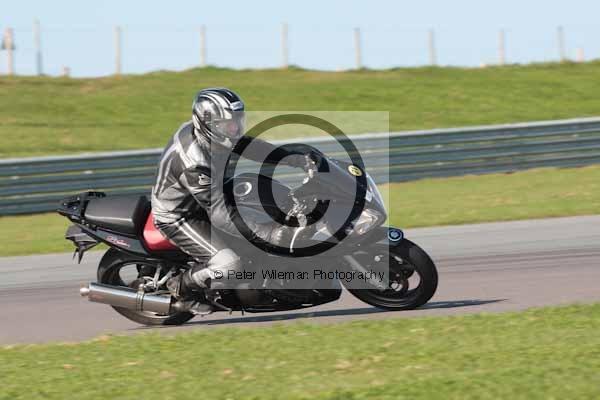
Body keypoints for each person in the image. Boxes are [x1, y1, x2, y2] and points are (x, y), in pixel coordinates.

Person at [151, 88, 311, 304]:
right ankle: (182, 285)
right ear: (208, 123)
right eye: (228, 124)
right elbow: (219, 214)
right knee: (229, 265)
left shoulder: (211, 133)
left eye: (237, 121)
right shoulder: (194, 163)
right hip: (181, 215)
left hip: (208, 196)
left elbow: (249, 146)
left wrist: (294, 158)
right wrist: (268, 234)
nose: (235, 128)